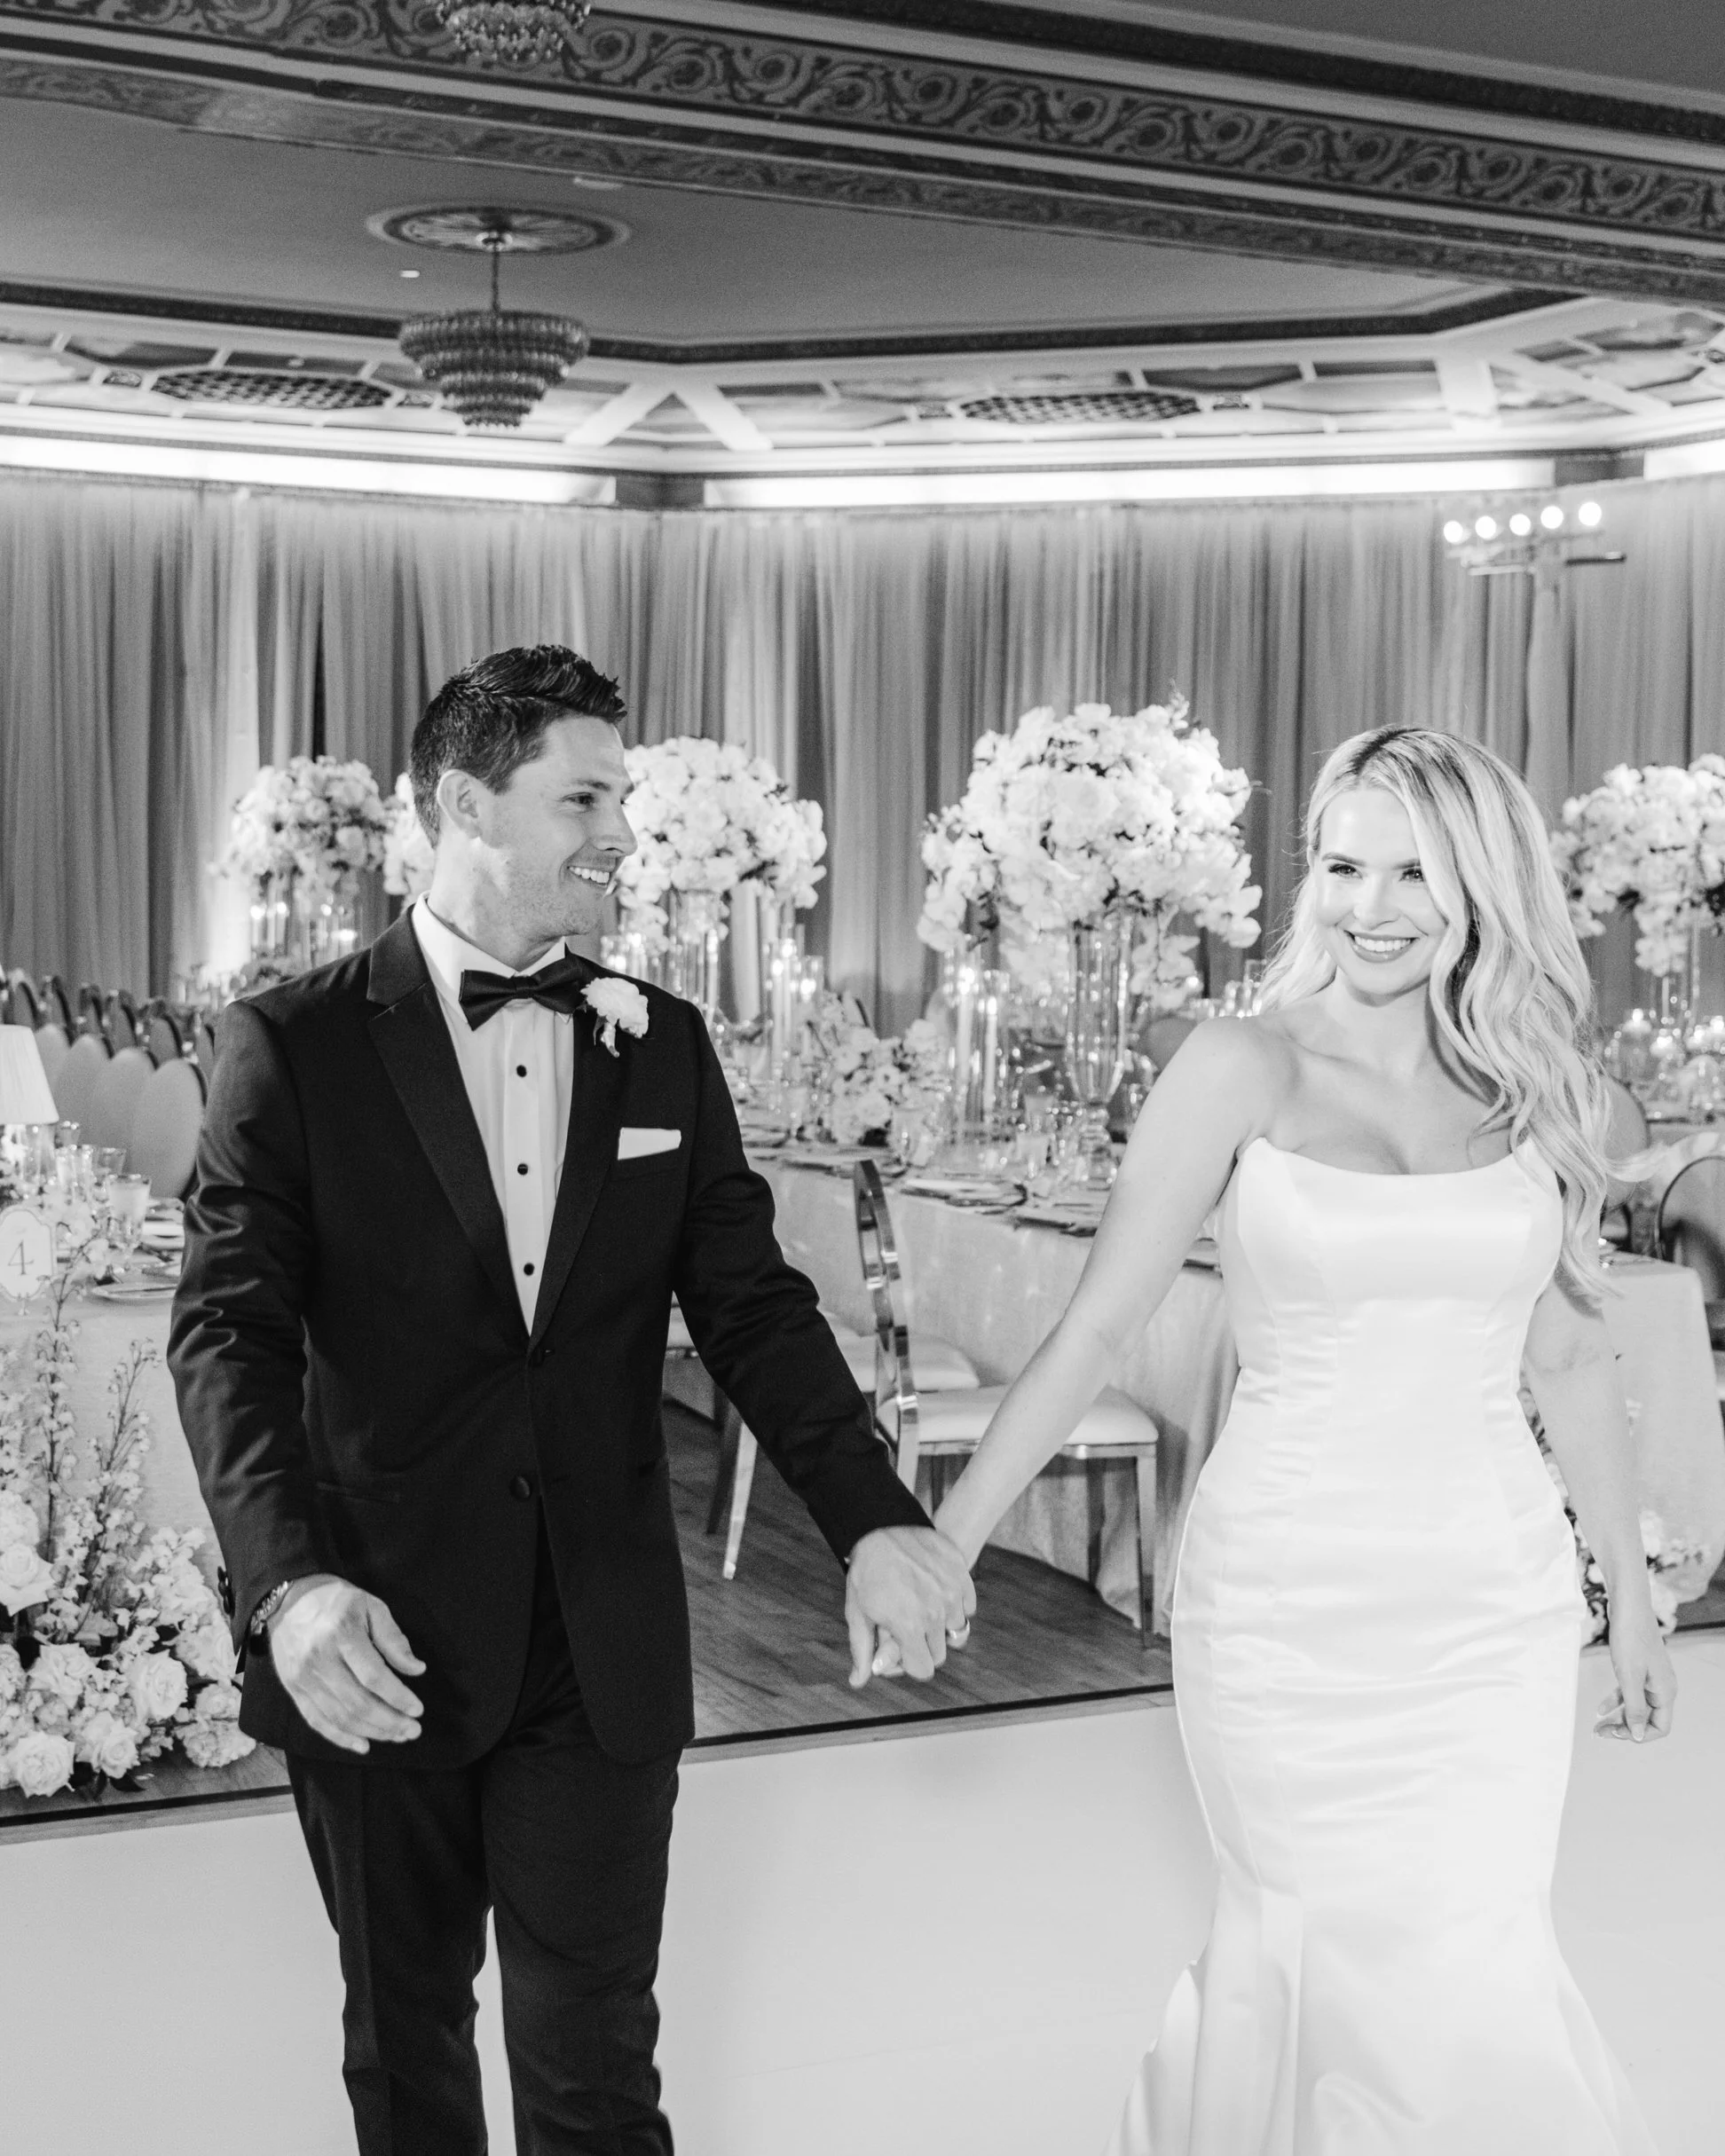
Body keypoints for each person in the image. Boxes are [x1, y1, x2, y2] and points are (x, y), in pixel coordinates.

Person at [168, 644, 974, 2156]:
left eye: (626, 794)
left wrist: (873, 1517)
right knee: (406, 2053)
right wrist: (288, 1589)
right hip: (376, 1635)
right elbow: (226, 1335)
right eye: (584, 795)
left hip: (597, 1642)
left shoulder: (659, 1037)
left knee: (596, 2062)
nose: (621, 831)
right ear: (466, 802)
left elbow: (752, 1310)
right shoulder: (295, 1043)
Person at [933, 726, 1673, 2154]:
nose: (1373, 904)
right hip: (1285, 1602)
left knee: (1473, 1954)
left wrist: (1627, 1598)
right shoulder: (1239, 1064)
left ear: (1485, 891)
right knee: (1312, 1945)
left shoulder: (1538, 1087)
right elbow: (1094, 1328)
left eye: (1416, 871)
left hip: (1491, 1604)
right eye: (1344, 864)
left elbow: (1573, 1354)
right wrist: (952, 1535)